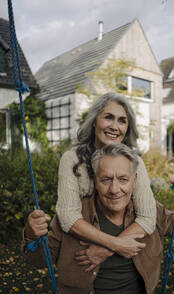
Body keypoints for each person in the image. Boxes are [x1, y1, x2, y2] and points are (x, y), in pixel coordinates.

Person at [23, 144, 174, 294]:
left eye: (123, 179)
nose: (115, 189)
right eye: (106, 179)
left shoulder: (149, 211)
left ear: (135, 180)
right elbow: (38, 260)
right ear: (94, 180)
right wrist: (32, 235)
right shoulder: (75, 216)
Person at [56, 92, 156, 254]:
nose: (115, 127)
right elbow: (68, 217)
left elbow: (148, 218)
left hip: (128, 260)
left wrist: (103, 252)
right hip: (80, 255)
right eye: (108, 117)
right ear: (94, 121)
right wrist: (114, 245)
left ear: (127, 128)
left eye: (122, 121)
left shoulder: (135, 163)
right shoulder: (72, 159)